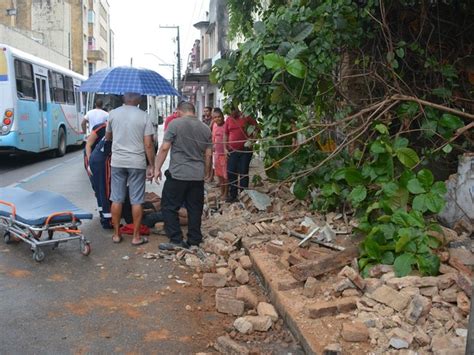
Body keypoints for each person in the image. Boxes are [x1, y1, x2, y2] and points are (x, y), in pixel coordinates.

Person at [154, 101, 212, 250]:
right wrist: (206, 172)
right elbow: (208, 154)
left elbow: (165, 147)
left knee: (169, 207)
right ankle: (194, 240)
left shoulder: (175, 124)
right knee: (195, 208)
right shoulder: (206, 128)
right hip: (197, 176)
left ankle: (176, 240)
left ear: (180, 111)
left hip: (178, 174)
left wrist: (156, 168)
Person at [105, 92, 155, 245]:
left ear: (124, 98)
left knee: (116, 198)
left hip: (118, 162)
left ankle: (116, 235)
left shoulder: (112, 114)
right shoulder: (144, 116)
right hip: (136, 162)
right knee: (137, 200)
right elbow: (148, 144)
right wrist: (152, 164)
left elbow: (108, 137)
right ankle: (135, 237)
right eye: (140, 96)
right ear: (136, 99)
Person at [224, 105, 257, 203]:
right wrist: (225, 148)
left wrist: (253, 140)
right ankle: (233, 195)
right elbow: (225, 134)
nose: (231, 114)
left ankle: (244, 195)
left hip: (245, 150)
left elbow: (256, 128)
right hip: (232, 150)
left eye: (232, 112)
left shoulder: (246, 117)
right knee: (231, 171)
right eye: (229, 113)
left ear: (236, 109)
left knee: (243, 172)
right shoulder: (229, 119)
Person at [212, 108, 228, 201]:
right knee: (219, 175)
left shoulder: (226, 126)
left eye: (219, 117)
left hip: (224, 155)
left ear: (222, 116)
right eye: (215, 117)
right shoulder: (214, 125)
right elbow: (213, 138)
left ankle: (226, 193)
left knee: (225, 176)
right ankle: (222, 192)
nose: (217, 119)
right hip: (217, 154)